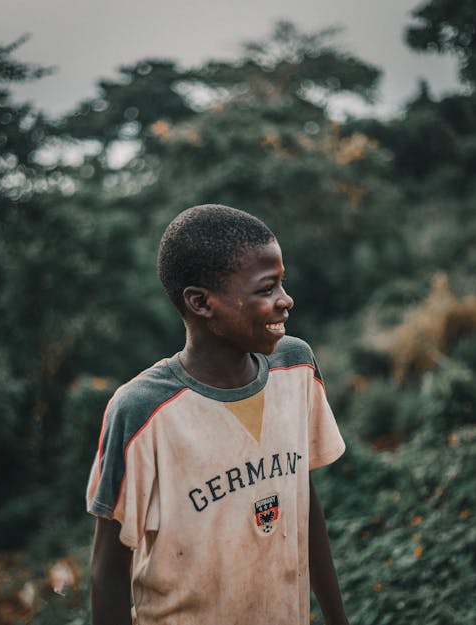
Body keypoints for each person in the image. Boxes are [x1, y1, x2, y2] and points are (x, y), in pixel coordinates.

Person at [87, 204, 349, 625]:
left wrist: (338, 619)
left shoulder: (295, 367)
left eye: (282, 283)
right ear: (201, 303)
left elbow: (303, 503)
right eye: (266, 289)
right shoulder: (141, 411)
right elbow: (107, 573)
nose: (286, 300)